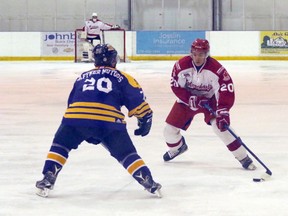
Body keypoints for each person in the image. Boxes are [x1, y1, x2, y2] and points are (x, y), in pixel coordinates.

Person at [35, 44, 162, 198]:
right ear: (114, 59)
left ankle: (48, 177)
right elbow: (137, 101)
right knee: (127, 154)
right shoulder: (124, 77)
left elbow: (72, 102)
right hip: (109, 122)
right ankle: (148, 181)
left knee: (60, 145)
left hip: (75, 118)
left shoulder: (82, 76)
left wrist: (78, 126)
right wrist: (145, 119)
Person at [162, 38, 257, 171]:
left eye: (201, 54)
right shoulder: (181, 65)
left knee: (221, 128)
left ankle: (243, 157)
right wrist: (190, 98)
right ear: (191, 53)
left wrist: (223, 110)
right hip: (188, 100)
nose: (197, 57)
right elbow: (176, 85)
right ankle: (178, 148)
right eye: (195, 54)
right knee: (169, 130)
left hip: (209, 100)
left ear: (206, 54)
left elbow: (225, 88)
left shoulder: (216, 69)